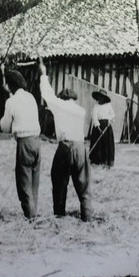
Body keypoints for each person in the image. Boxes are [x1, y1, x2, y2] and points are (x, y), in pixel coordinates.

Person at [38, 60, 91, 221]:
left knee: (59, 181)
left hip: (66, 146)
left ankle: (59, 215)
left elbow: (47, 94)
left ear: (61, 98)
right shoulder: (80, 110)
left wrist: (43, 74)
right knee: (83, 183)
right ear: (74, 99)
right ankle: (87, 217)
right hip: (81, 147)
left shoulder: (59, 105)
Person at [0, 68, 41, 219]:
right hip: (36, 141)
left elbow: (5, 127)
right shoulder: (30, 97)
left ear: (10, 86)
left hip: (24, 142)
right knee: (34, 180)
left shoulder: (11, 102)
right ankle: (34, 211)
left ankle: (30, 216)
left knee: (23, 181)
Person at [89, 89, 115, 167]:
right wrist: (98, 126)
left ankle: (106, 160)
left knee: (107, 143)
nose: (101, 98)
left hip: (107, 126)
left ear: (104, 98)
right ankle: (96, 160)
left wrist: (109, 120)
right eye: (99, 97)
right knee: (98, 143)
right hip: (98, 127)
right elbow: (94, 116)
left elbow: (113, 114)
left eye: (102, 97)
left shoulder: (108, 105)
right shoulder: (96, 106)